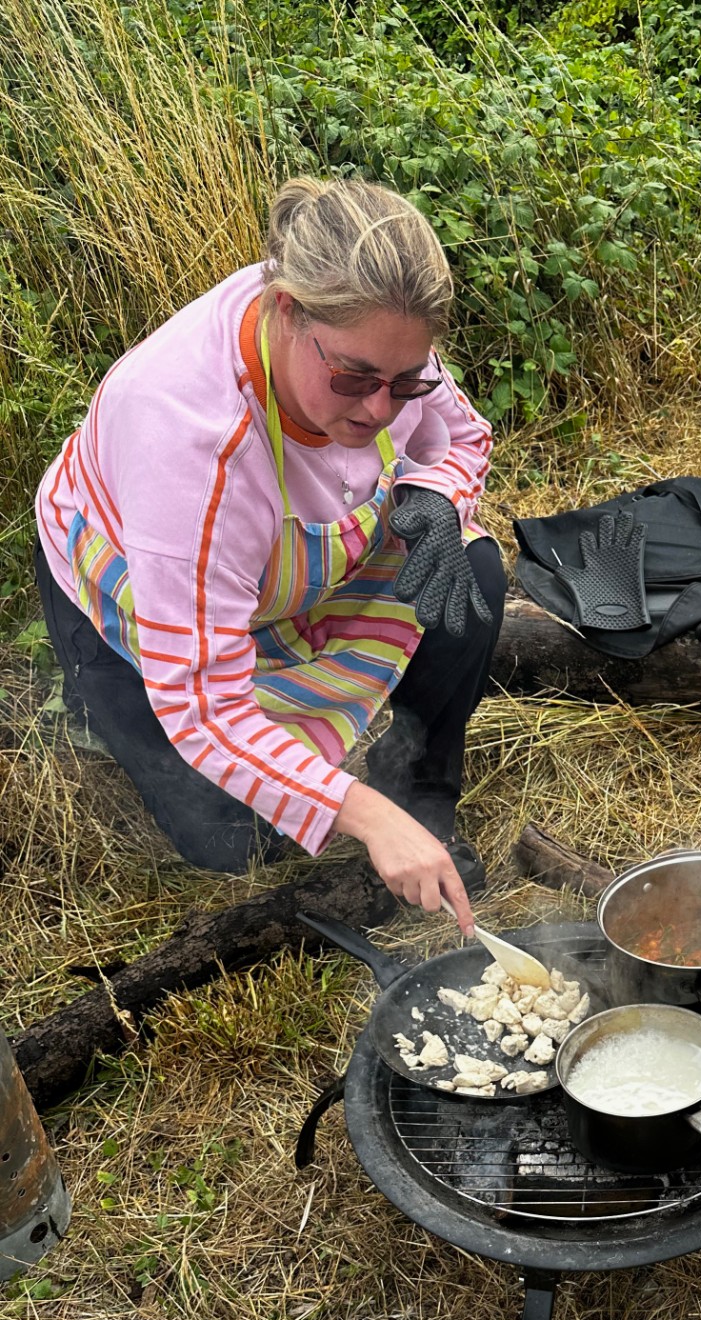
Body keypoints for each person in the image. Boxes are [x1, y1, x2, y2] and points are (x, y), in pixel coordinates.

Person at [33, 175, 504, 932]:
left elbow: (464, 437)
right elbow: (204, 708)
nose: (381, 408)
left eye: (405, 381)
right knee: (232, 842)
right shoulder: (191, 436)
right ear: (285, 312)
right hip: (145, 589)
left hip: (291, 577)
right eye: (354, 379)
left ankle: (420, 793)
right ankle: (107, 697)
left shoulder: (377, 340)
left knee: (468, 572)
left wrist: (438, 499)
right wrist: (365, 819)